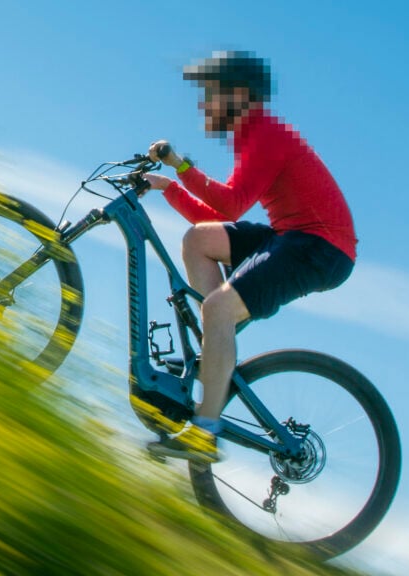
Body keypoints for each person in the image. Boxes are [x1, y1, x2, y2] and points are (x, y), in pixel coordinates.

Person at [143, 51, 357, 463]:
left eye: (210, 94)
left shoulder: (266, 133)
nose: (203, 104)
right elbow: (219, 215)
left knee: (220, 308)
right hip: (292, 236)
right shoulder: (251, 135)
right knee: (198, 241)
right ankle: (217, 343)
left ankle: (204, 433)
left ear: (238, 95)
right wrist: (168, 188)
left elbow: (234, 204)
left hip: (320, 246)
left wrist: (179, 166)